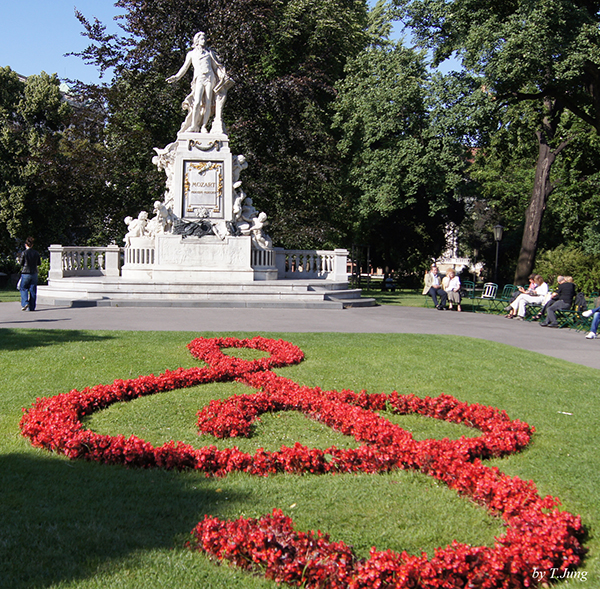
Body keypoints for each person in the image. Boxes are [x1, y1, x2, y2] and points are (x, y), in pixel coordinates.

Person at [167, 31, 229, 134]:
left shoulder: (210, 53)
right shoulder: (191, 54)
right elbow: (185, 67)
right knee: (197, 103)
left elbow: (215, 67)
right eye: (202, 39)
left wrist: (221, 74)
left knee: (208, 102)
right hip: (199, 78)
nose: (204, 41)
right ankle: (194, 125)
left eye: (204, 39)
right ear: (197, 41)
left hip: (210, 78)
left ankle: (204, 126)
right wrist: (177, 77)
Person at [19, 237, 41, 312]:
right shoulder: (36, 253)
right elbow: (39, 263)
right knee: (33, 290)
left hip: (26, 272)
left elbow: (21, 263)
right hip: (34, 272)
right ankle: (32, 307)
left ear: (26, 245)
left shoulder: (24, 253)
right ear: (32, 245)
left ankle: (25, 302)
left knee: (23, 288)